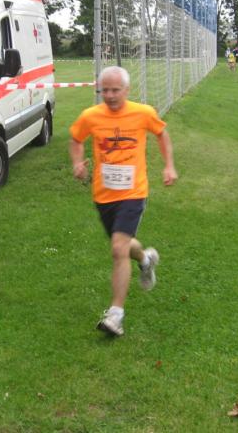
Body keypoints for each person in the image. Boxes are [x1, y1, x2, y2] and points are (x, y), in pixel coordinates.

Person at [69, 66, 177, 337]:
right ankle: (145, 259)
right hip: (103, 194)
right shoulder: (91, 116)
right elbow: (76, 139)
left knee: (118, 249)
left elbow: (162, 133)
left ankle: (115, 315)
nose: (109, 95)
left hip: (133, 192)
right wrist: (77, 163)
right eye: (104, 90)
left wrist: (169, 166)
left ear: (127, 90)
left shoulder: (143, 113)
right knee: (125, 246)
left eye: (115, 90)